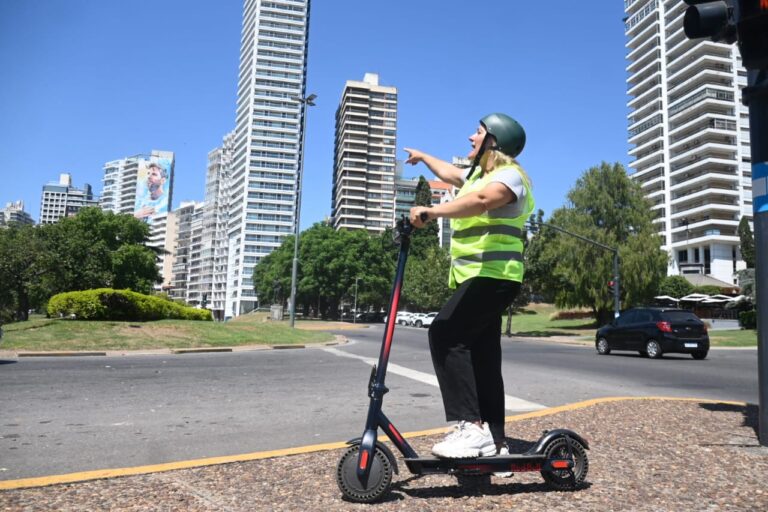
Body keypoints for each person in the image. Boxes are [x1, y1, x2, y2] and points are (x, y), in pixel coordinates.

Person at [406, 113, 534, 459]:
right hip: (482, 278)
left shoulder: (510, 176)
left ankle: (470, 426)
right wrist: (423, 156)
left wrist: (433, 212)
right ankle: (496, 443)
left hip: (495, 275)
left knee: (445, 333)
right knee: (484, 358)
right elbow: (451, 173)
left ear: (494, 141)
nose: (470, 138)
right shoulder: (478, 175)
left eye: (478, 133)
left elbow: (482, 201)